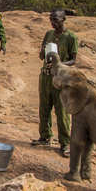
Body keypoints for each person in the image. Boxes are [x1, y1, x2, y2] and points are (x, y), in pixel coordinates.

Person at [31, 9, 78, 157]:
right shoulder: (49, 34)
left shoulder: (71, 37)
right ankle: (45, 137)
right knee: (44, 108)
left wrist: (59, 64)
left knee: (61, 111)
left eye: (56, 20)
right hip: (45, 76)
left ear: (63, 19)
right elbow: (41, 55)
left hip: (60, 78)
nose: (53, 23)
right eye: (51, 20)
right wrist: (44, 51)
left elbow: (74, 60)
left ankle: (65, 143)